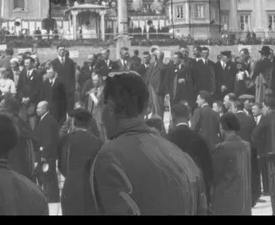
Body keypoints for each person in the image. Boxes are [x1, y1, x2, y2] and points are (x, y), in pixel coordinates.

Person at [91, 70, 207, 215]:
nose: (101, 119)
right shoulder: (181, 155)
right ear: (145, 107)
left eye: (101, 108)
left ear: (111, 108)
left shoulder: (110, 156)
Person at [57, 109, 102, 216]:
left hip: (70, 187)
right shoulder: (98, 143)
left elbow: (61, 165)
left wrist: (70, 175)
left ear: (73, 122)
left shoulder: (65, 140)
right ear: (90, 123)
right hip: (90, 190)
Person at [168, 102, 214, 199]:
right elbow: (207, 168)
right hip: (196, 191)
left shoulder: (168, 139)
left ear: (173, 116)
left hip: (174, 191)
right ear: (189, 116)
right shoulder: (199, 139)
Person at [211, 112, 252, 215]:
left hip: (226, 200)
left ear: (223, 126)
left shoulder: (221, 148)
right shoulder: (247, 146)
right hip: (244, 199)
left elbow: (215, 176)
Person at [32, 100, 60, 203]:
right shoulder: (44, 120)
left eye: (39, 108)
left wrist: (44, 154)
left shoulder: (48, 121)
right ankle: (51, 195)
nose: (37, 110)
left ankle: (51, 196)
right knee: (46, 175)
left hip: (47, 154)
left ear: (45, 109)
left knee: (48, 175)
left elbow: (48, 140)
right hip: (45, 153)